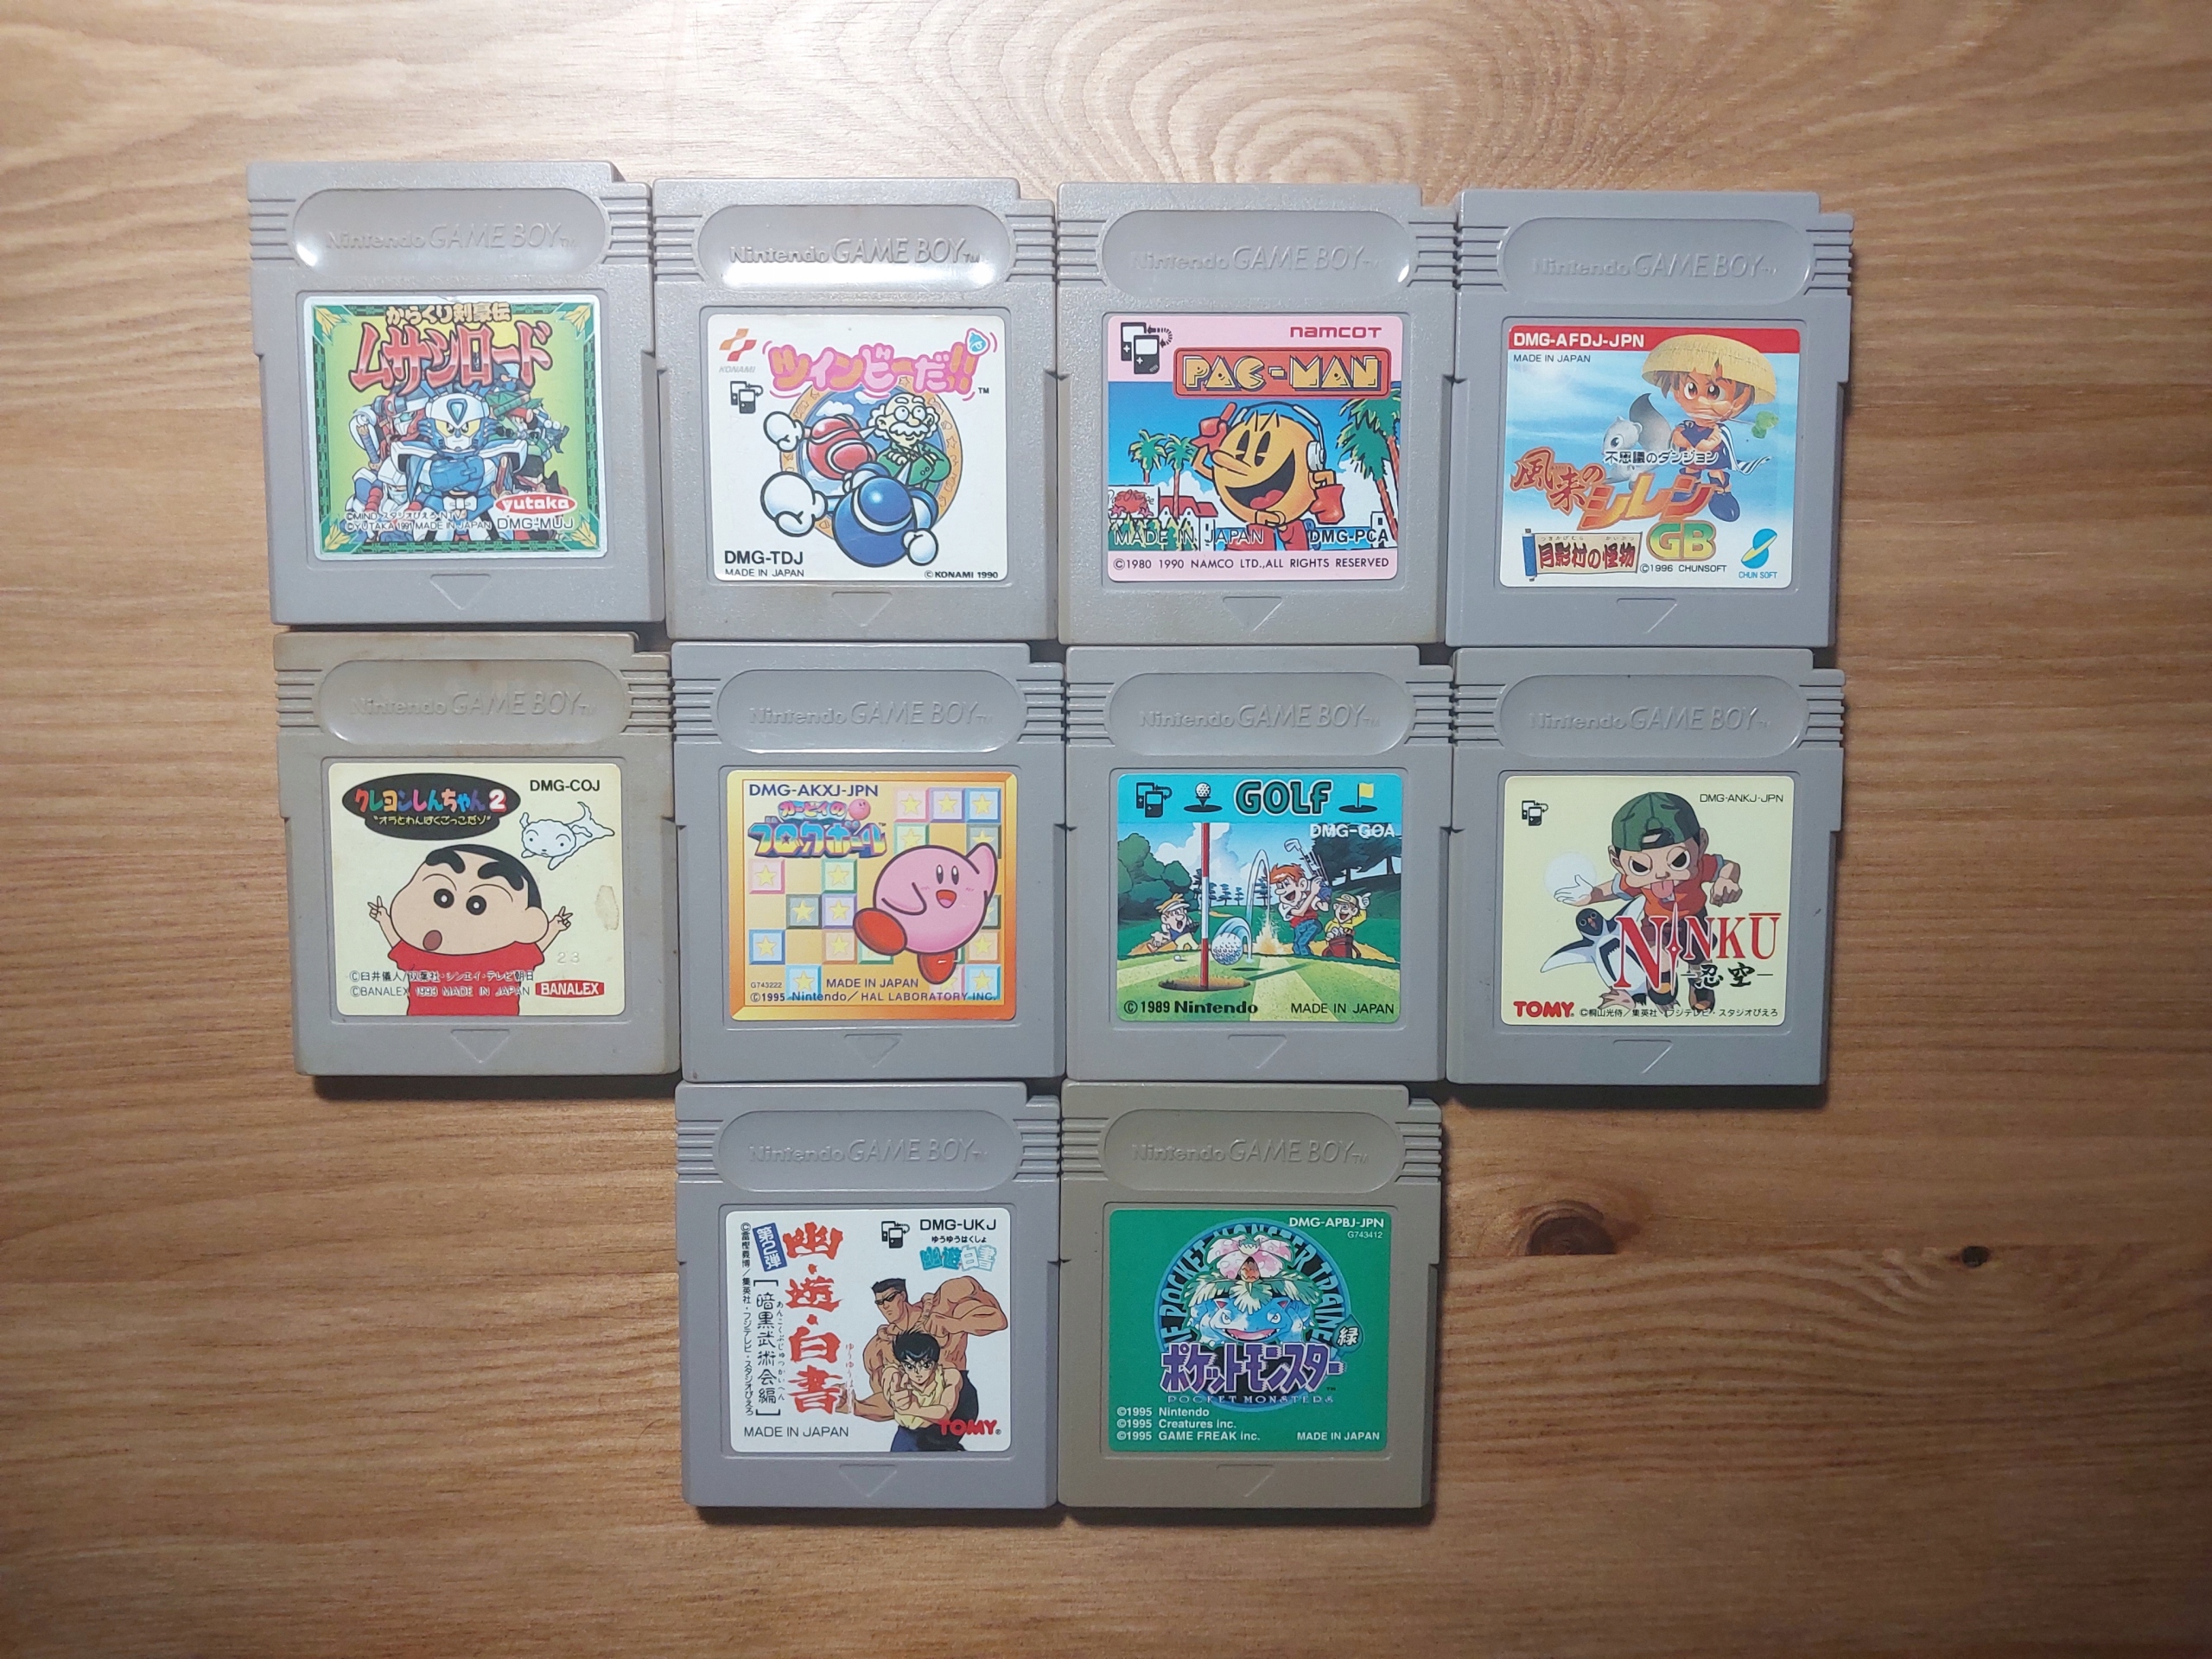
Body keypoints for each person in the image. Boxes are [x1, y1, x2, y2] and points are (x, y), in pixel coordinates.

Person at [367, 844, 570, 1016]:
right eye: (443, 897)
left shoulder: (508, 955)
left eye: (477, 905)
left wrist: (554, 927)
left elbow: (534, 949)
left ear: (527, 923)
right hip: (424, 1029)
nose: (454, 915)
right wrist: (384, 919)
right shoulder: (421, 954)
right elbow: (400, 946)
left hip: (498, 1026)